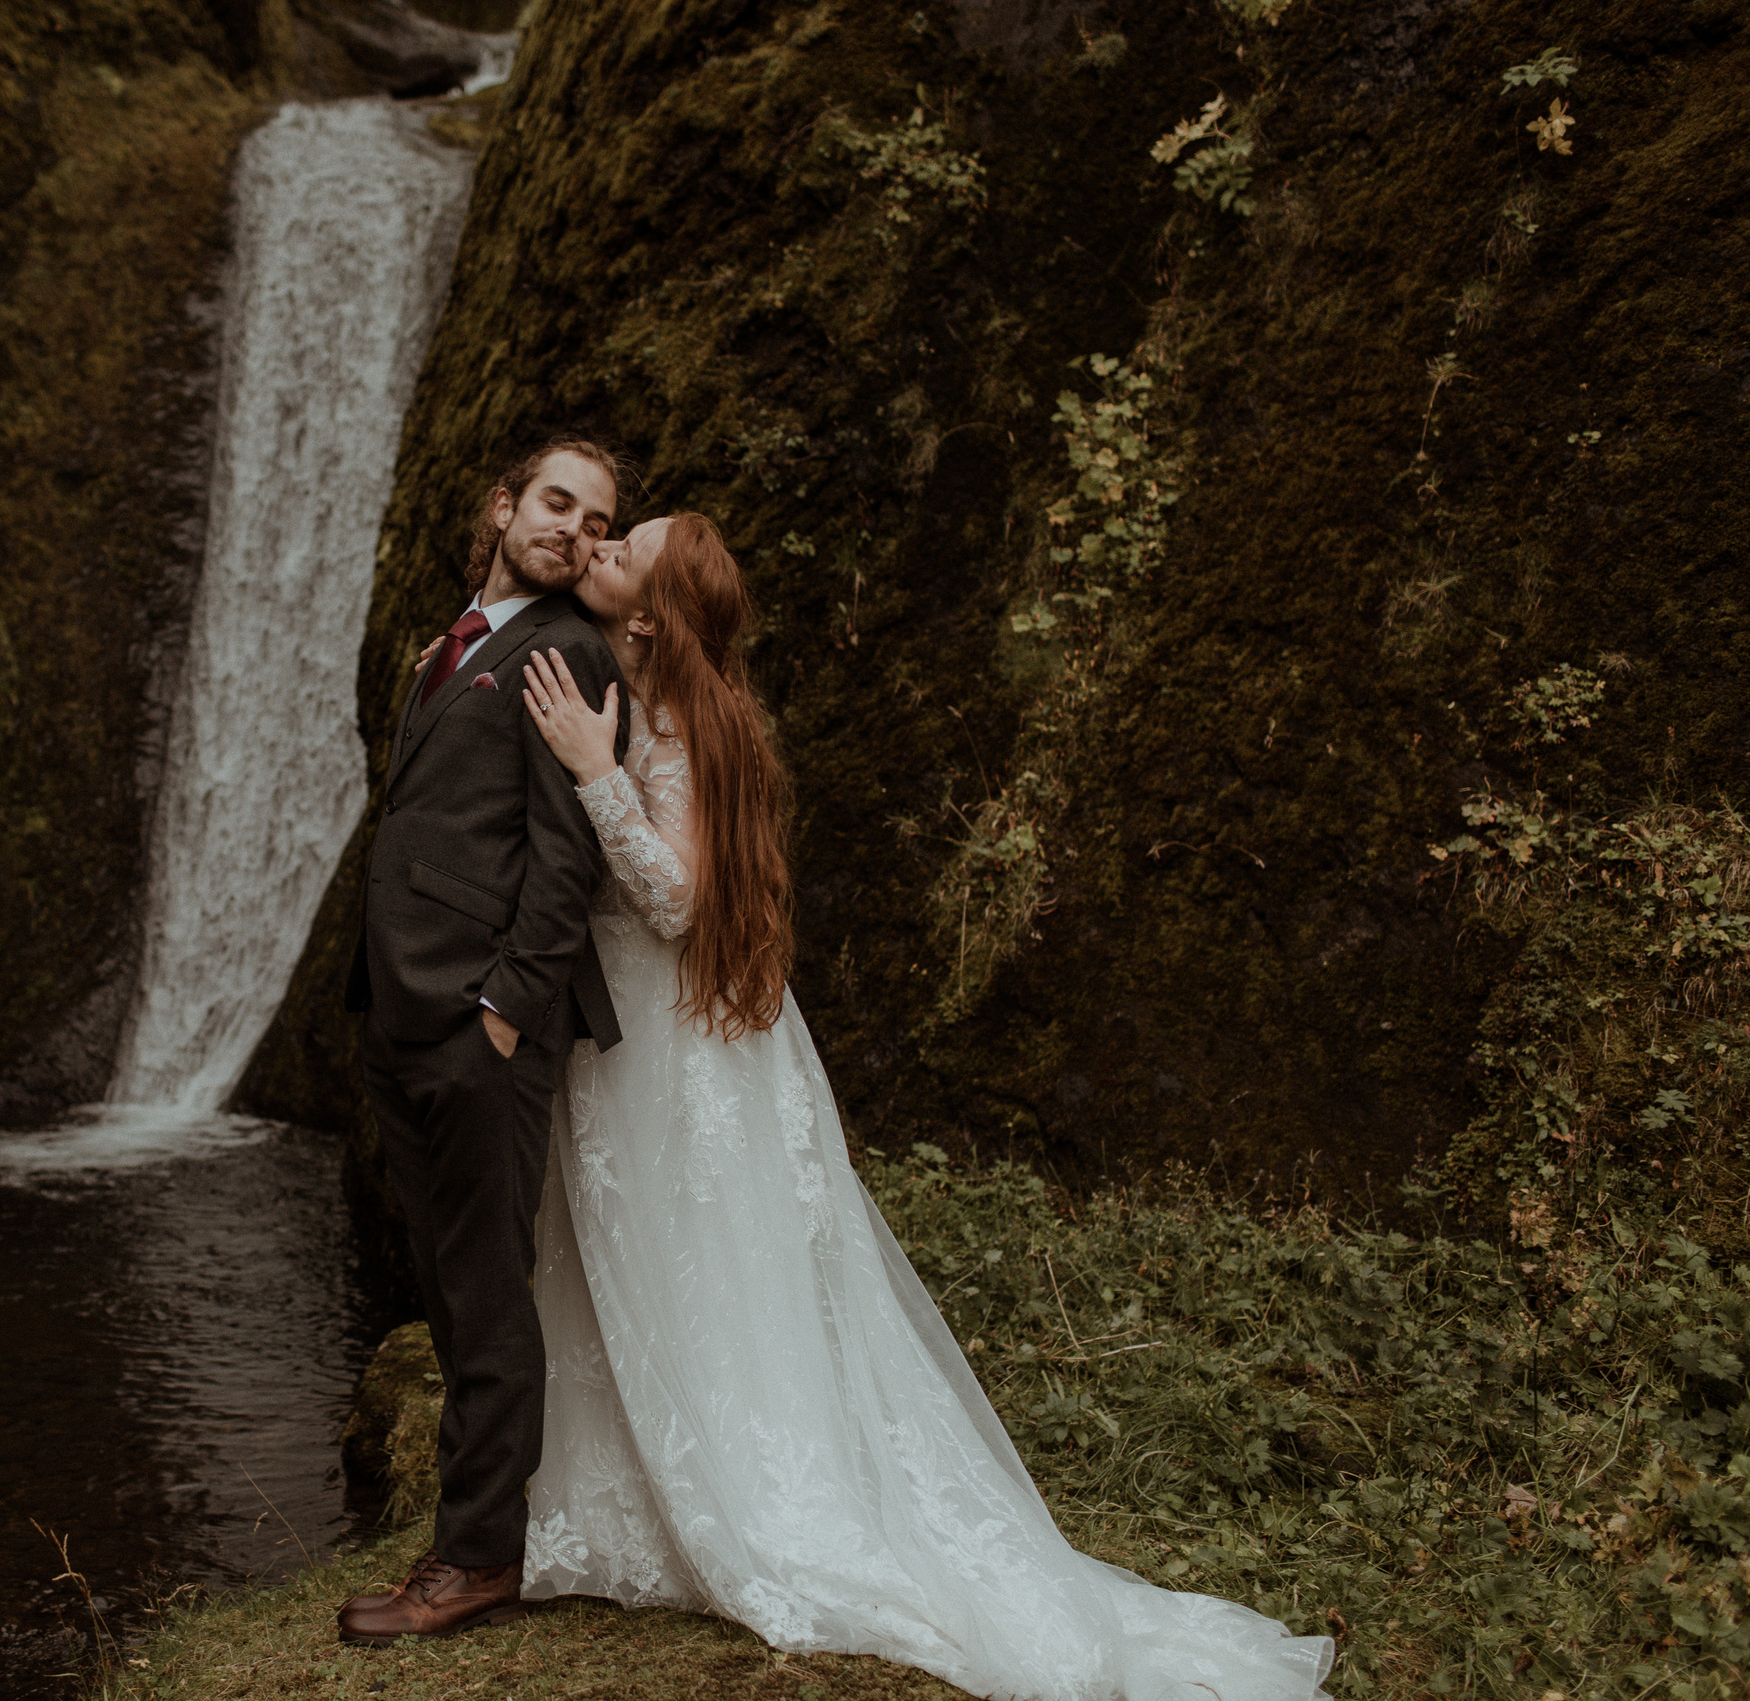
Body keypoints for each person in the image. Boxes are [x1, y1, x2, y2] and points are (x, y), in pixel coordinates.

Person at [507, 513, 1337, 1700]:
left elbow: (680, 905)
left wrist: (595, 773)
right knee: (661, 1262)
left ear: (645, 615)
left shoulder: (684, 726)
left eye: (618, 550)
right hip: (660, 1036)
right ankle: (622, 1499)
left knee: (697, 1263)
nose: (593, 550)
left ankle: (739, 1503)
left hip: (674, 1047)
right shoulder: (658, 697)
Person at [334, 439, 633, 1647]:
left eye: (597, 518)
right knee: (454, 1297)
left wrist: (505, 1005)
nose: (571, 527)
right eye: (555, 501)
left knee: (486, 1297)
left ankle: (476, 1561)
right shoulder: (458, 642)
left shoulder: (566, 651)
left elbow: (569, 854)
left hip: (478, 1026)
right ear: (505, 506)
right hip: (401, 1010)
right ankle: (466, 1537)